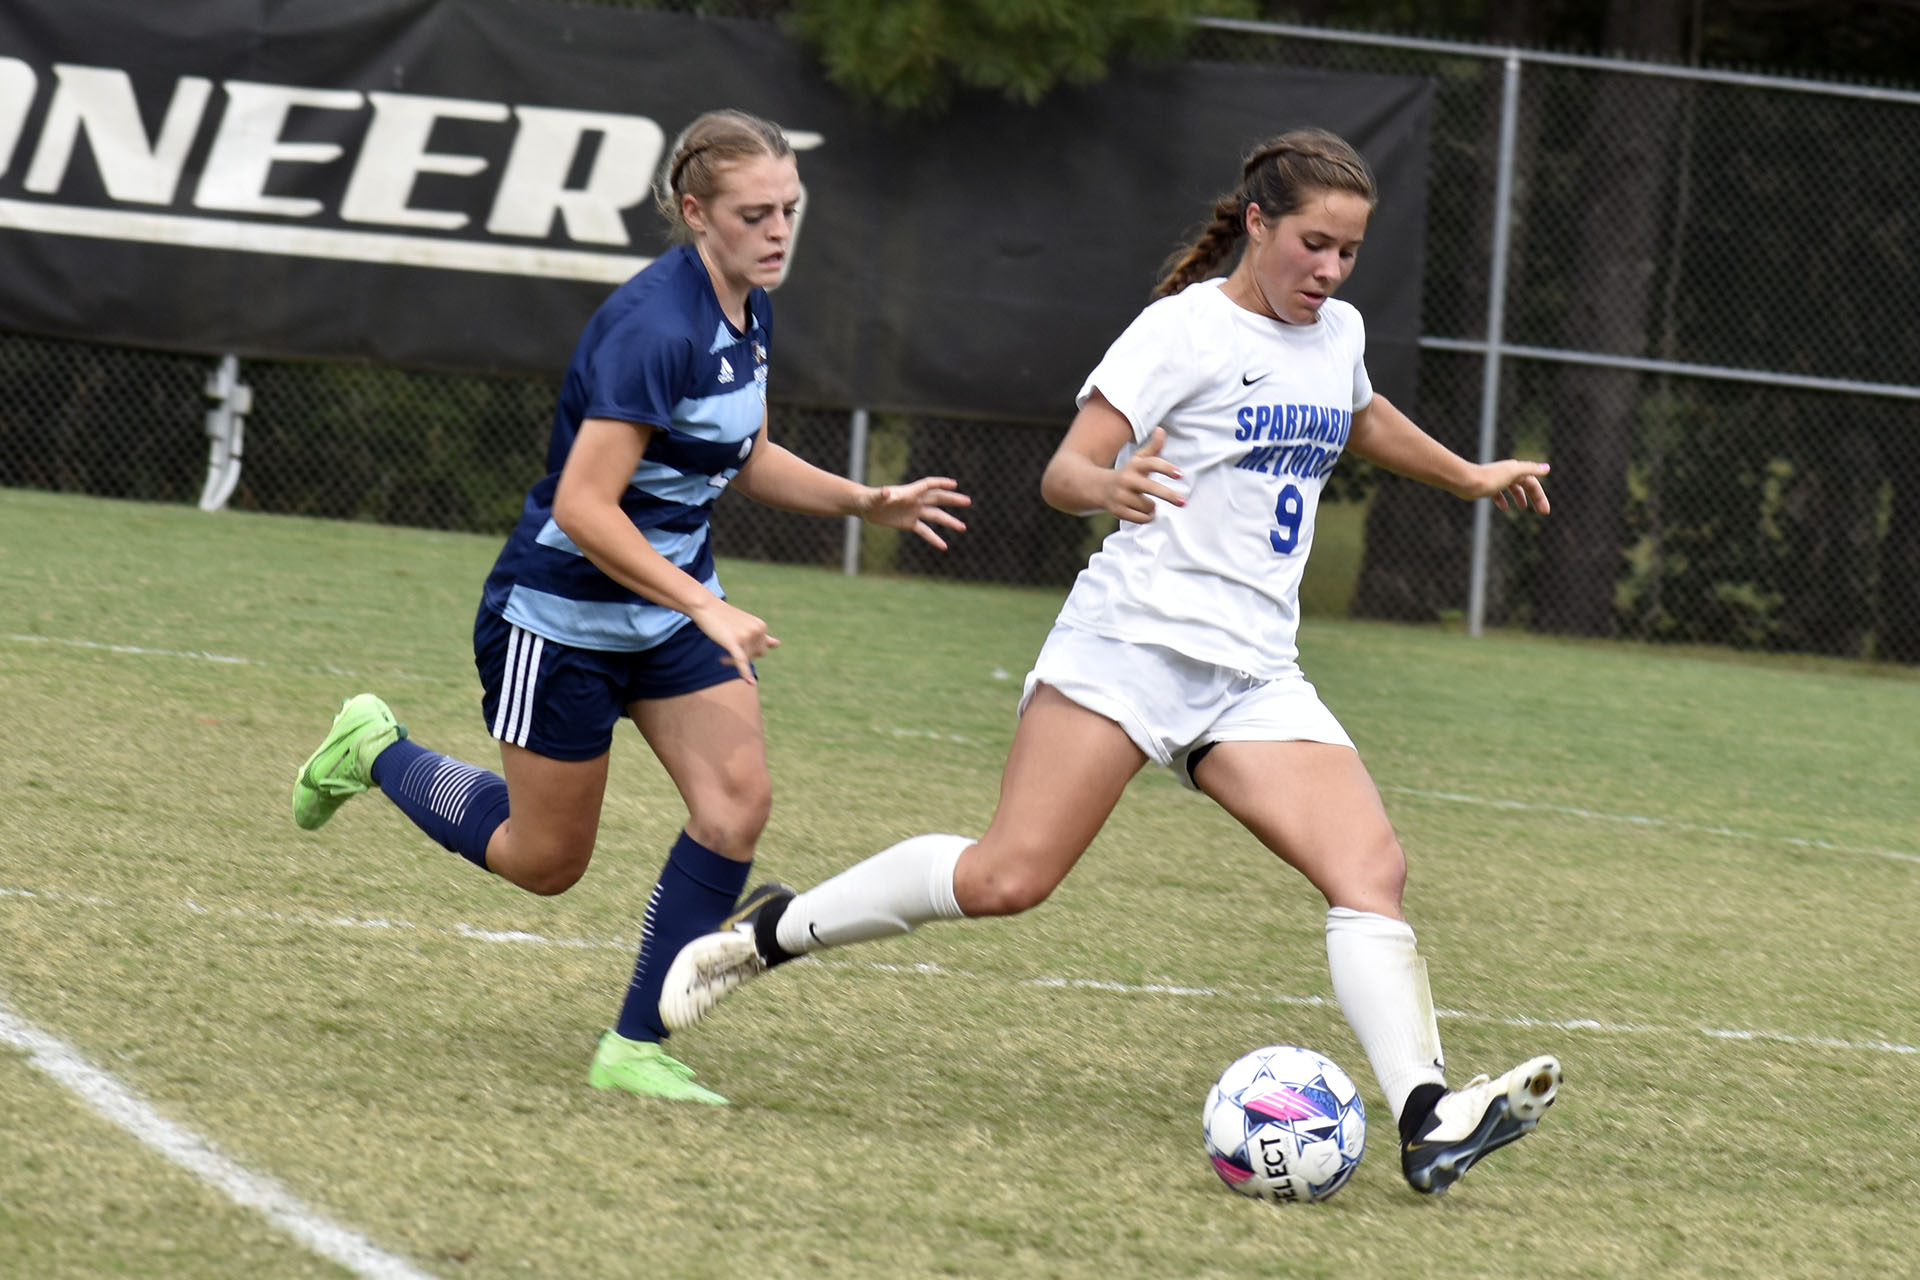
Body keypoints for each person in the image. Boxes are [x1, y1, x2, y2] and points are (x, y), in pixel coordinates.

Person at [660, 127, 1561, 1194]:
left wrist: (1464, 474)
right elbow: (1065, 470)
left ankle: (1427, 1111)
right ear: (1259, 223)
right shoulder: (1178, 333)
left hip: (1254, 670)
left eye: (1350, 252)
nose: (1329, 270)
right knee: (1007, 876)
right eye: (1313, 243)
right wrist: (1112, 485)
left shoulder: (1338, 330)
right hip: (1131, 646)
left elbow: (1356, 411)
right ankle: (773, 931)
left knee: (1372, 873)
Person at [289, 108, 969, 1107]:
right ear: (695, 212)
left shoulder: (751, 306)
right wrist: (705, 602)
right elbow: (582, 503)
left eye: (789, 209)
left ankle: (635, 1041)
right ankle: (374, 747)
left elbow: (744, 455)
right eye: (753, 213)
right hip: (560, 616)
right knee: (545, 858)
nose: (778, 230)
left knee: (736, 804)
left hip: (670, 614)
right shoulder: (655, 326)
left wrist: (866, 498)